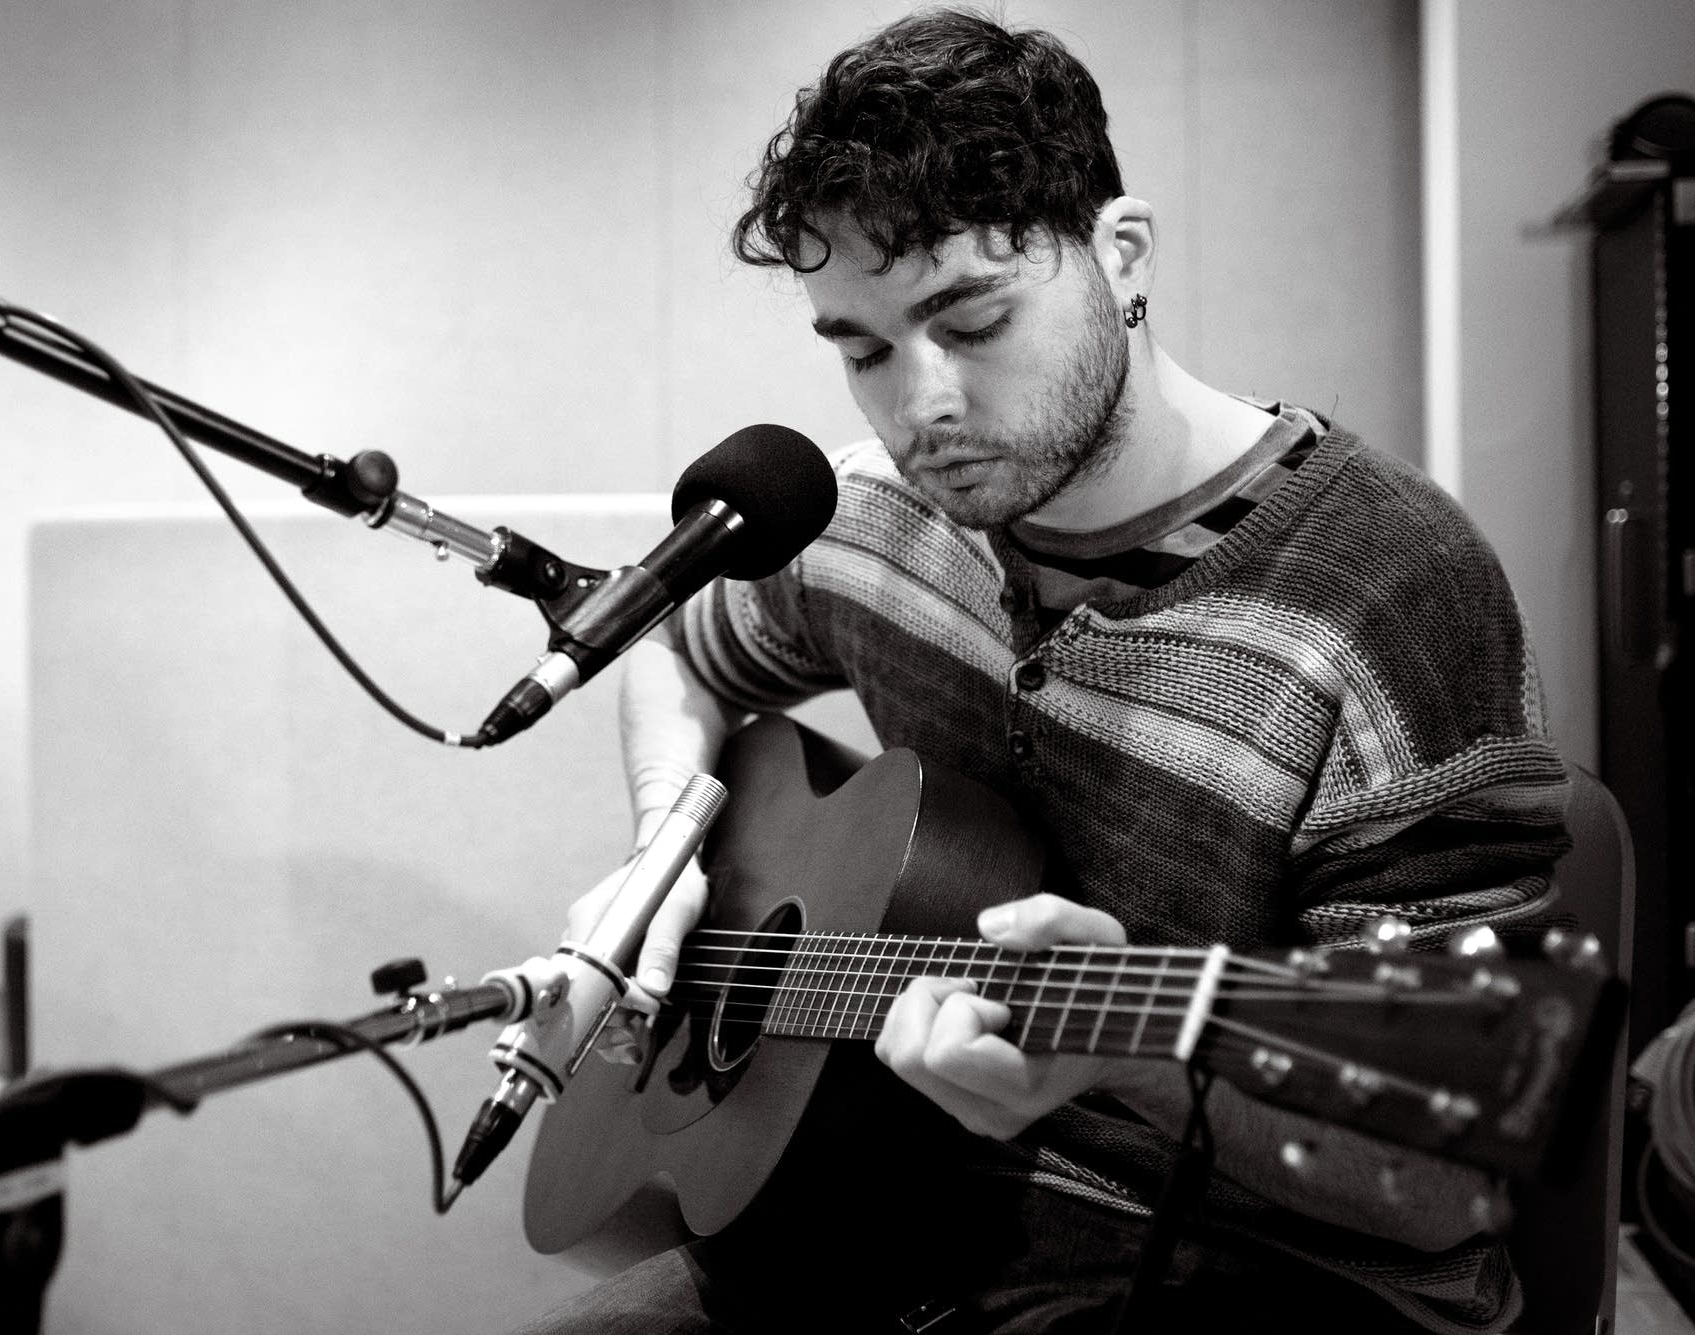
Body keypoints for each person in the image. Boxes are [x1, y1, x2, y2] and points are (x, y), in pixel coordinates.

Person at [521, 10, 1571, 1334]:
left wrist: (1124, 1051)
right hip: (896, 1193)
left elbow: (1440, 1170)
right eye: (862, 351)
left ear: (1121, 257)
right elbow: (678, 650)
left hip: (1285, 1269)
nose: (922, 407)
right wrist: (665, 846)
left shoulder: (1394, 598)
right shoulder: (868, 519)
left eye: (971, 319)